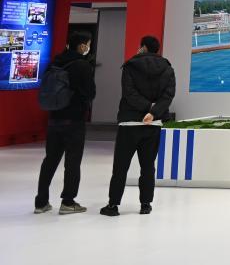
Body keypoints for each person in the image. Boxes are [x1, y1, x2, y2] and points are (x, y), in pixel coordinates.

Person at [100, 35, 175, 217]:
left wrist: (147, 108)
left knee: (120, 167)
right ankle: (145, 204)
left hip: (129, 123)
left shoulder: (130, 66)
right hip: (153, 124)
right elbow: (168, 95)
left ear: (143, 47)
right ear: (157, 49)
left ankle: (113, 205)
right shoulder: (167, 68)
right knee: (148, 166)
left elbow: (129, 93)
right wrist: (153, 112)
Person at [34, 31, 96, 215]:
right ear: (82, 46)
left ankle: (41, 202)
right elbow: (90, 93)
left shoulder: (55, 62)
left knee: (50, 160)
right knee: (72, 161)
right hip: (74, 120)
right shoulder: (82, 65)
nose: (88, 47)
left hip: (54, 118)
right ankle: (68, 202)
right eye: (88, 44)